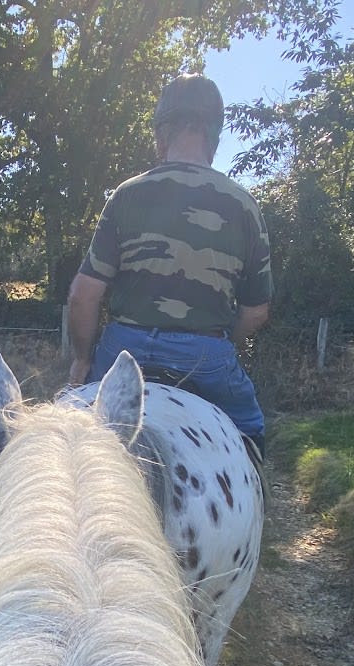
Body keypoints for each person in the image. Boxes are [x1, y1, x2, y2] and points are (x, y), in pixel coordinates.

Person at [66, 74, 271, 459]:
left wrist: (82, 360)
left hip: (125, 350)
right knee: (250, 428)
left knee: (70, 433)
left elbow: (83, 296)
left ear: (162, 133)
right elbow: (256, 311)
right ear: (214, 135)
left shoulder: (127, 195)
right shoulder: (243, 205)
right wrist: (227, 345)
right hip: (205, 355)